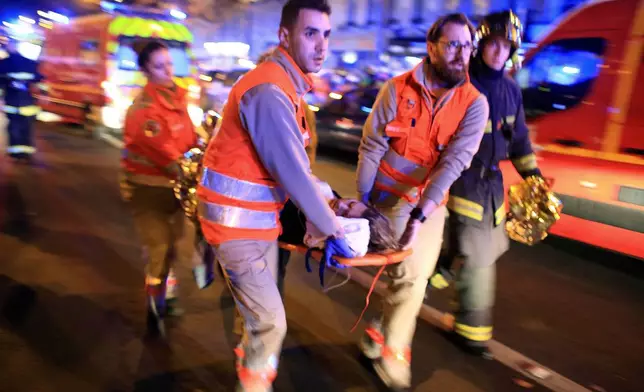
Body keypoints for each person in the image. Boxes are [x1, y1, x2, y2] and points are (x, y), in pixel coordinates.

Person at [195, 1, 354, 390]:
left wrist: (332, 199)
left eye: (326, 34)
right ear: (285, 35)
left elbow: (294, 169)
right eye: (310, 33)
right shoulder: (269, 89)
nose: (321, 45)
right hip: (237, 227)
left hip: (256, 221)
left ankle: (251, 368)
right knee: (270, 322)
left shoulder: (287, 87)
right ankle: (253, 383)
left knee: (260, 319)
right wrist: (335, 228)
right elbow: (292, 173)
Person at [356, 13, 489, 390]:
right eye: (453, 45)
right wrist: (363, 201)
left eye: (468, 46)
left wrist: (420, 214)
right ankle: (380, 329)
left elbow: (454, 162)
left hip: (425, 204)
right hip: (382, 200)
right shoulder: (396, 90)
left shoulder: (474, 105)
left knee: (413, 277)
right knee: (398, 276)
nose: (462, 54)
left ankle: (394, 353)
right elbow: (371, 147)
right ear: (432, 48)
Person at [434, 10, 543, 359]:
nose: (499, 51)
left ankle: (419, 285)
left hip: (491, 186)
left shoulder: (511, 91)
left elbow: (520, 140)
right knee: (479, 256)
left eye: (506, 45)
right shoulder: (463, 83)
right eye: (494, 43)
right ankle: (472, 333)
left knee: (472, 250)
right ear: (481, 44)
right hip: (462, 181)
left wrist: (534, 179)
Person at [121, 40, 200, 337]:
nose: (168, 70)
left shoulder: (178, 100)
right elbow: (164, 152)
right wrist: (190, 165)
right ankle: (155, 307)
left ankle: (166, 292)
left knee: (173, 243)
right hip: (147, 190)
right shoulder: (144, 110)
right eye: (159, 66)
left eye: (169, 63)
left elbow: (190, 139)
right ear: (145, 71)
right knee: (159, 247)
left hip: (174, 190)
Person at [0, 38, 42, 163]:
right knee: (26, 127)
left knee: (14, 127)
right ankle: (26, 152)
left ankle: (16, 153)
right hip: (28, 104)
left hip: (12, 103)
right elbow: (39, 80)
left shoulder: (4, 64)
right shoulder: (30, 63)